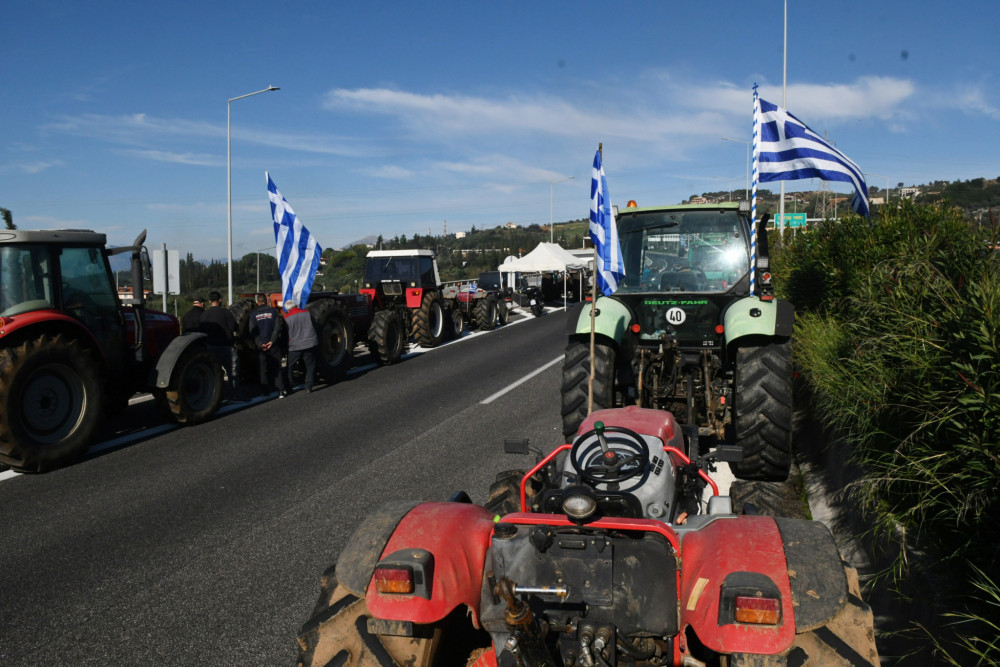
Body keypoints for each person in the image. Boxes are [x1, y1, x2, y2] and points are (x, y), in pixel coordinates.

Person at [249, 294, 288, 397]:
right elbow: (277, 328)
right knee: (276, 367)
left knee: (263, 369)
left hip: (261, 346)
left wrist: (260, 344)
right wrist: (272, 341)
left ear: (257, 302)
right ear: (266, 301)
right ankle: (280, 390)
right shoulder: (273, 311)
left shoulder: (253, 315)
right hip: (273, 345)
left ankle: (265, 391)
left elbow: (252, 331)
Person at [200, 290, 238, 396]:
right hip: (226, 346)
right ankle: (234, 394)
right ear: (220, 300)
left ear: (209, 301)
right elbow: (234, 327)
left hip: (210, 347)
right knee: (232, 372)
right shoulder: (226, 313)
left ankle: (215, 395)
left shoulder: (204, 315)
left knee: (213, 373)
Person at [283, 299, 324, 393]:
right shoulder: (307, 313)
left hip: (295, 346)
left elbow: (286, 335)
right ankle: (308, 386)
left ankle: (289, 387)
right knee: (310, 365)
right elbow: (315, 326)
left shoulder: (286, 318)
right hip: (309, 343)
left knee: (290, 366)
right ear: (295, 305)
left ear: (287, 309)